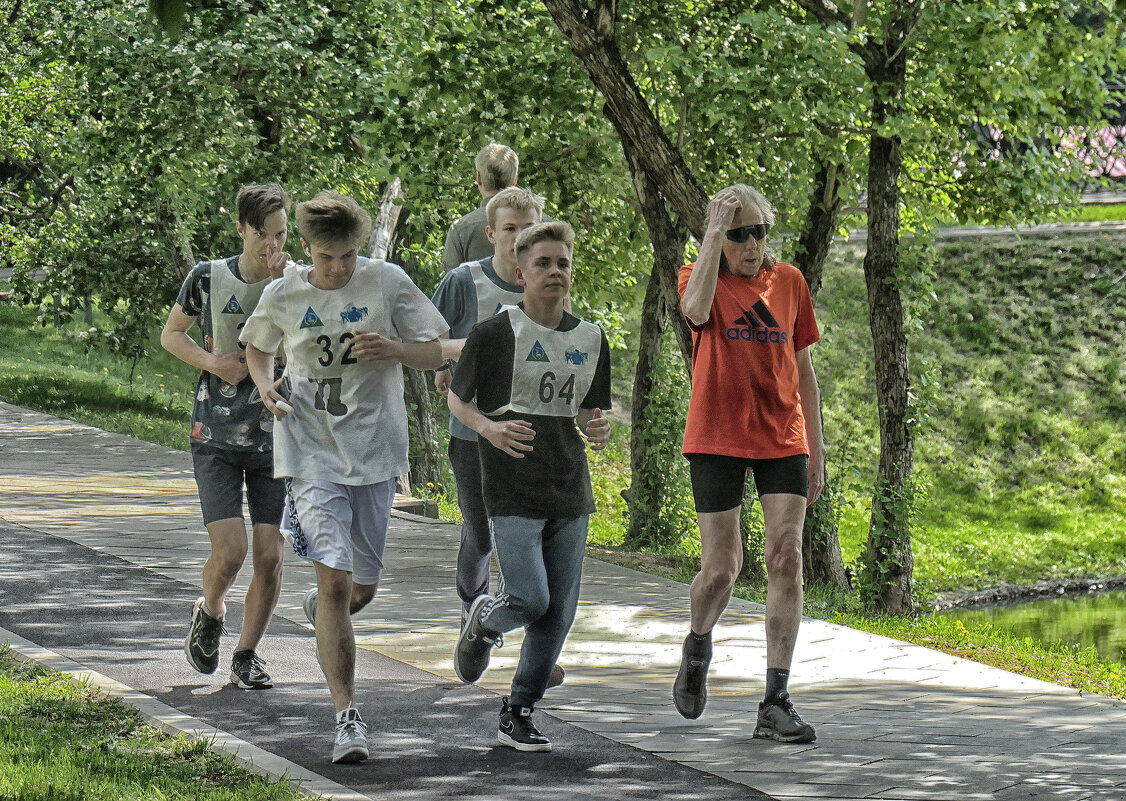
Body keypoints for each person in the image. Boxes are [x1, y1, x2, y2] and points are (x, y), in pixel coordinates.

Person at [240, 191, 446, 764]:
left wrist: (396, 349)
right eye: (328, 257)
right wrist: (265, 385)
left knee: (361, 589)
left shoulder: (386, 282)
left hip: (375, 452)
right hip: (309, 453)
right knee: (335, 583)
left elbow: (436, 351)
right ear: (307, 249)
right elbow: (257, 349)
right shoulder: (284, 292)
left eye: (348, 257)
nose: (339, 268)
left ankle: (323, 610)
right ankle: (347, 717)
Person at [448, 221, 611, 753]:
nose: (555, 272)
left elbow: (589, 410)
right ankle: (484, 620)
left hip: (569, 488)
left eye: (563, 263)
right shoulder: (495, 334)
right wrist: (490, 429)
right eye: (543, 263)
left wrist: (597, 425)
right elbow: (457, 399)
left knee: (559, 611)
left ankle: (519, 709)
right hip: (512, 485)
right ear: (521, 273)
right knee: (530, 597)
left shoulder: (591, 337)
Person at [674, 184, 825, 744]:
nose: (751, 244)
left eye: (758, 231)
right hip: (716, 435)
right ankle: (697, 644)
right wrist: (711, 236)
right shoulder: (699, 277)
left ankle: (775, 700)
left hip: (783, 436)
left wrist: (816, 444)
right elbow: (692, 312)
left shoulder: (789, 283)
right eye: (739, 233)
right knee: (722, 570)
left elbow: (803, 367)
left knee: (785, 557)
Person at [161, 183, 291, 691]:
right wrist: (214, 362)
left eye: (281, 235)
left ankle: (246, 653)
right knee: (232, 551)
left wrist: (292, 288)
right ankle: (210, 609)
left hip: (275, 433)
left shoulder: (295, 282)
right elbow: (171, 335)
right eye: (265, 236)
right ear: (241, 230)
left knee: (270, 555)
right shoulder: (208, 278)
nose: (274, 246)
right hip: (213, 430)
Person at [440, 143, 520, 272]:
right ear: (515, 180)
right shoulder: (544, 224)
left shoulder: (461, 229)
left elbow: (451, 284)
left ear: (478, 178)